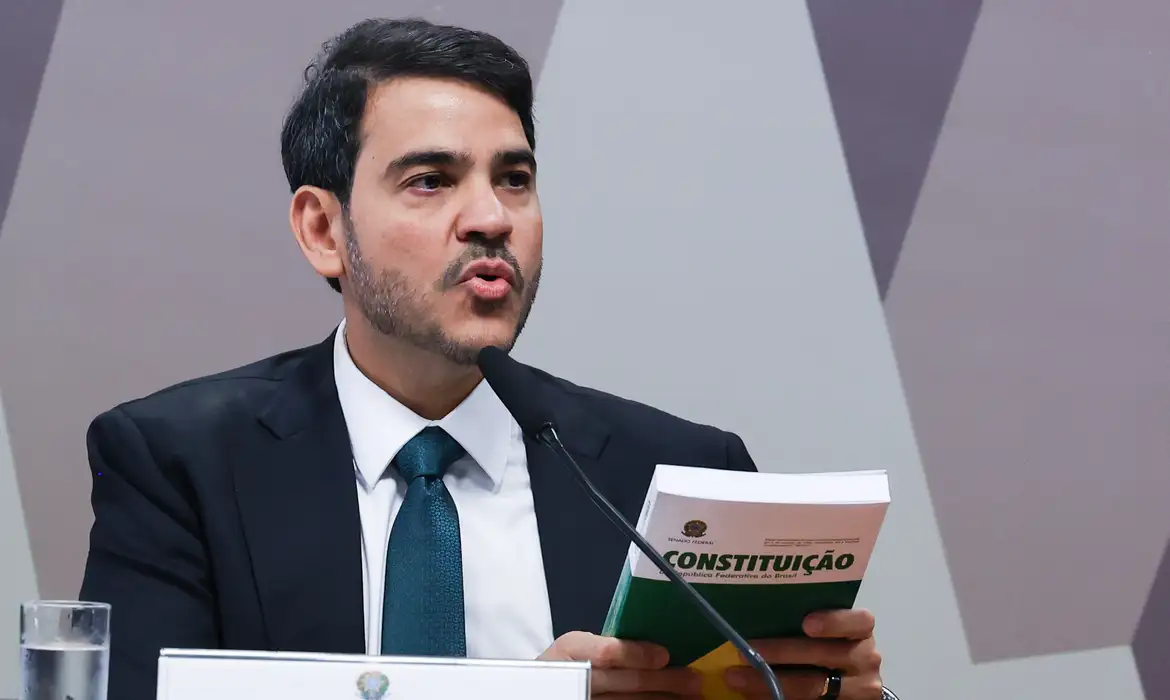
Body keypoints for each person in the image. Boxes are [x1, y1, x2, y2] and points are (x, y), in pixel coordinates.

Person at [78, 17, 888, 700]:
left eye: (515, 178)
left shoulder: (676, 474)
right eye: (431, 180)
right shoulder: (181, 465)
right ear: (323, 230)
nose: (491, 217)